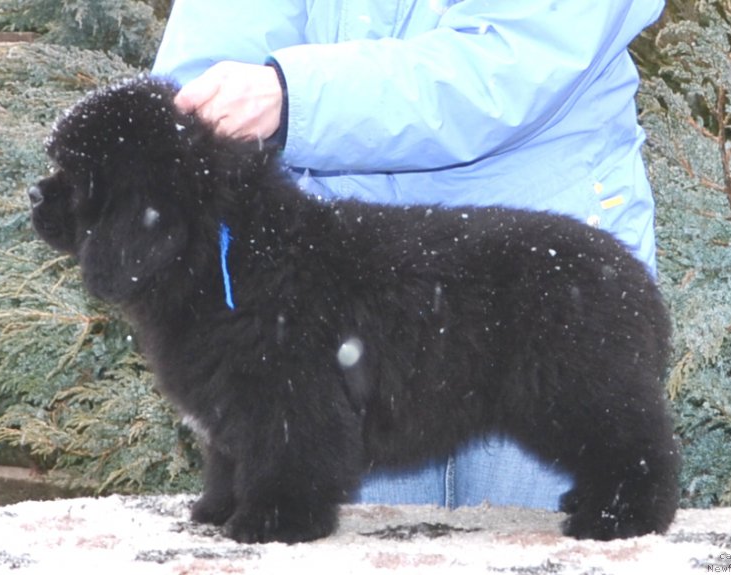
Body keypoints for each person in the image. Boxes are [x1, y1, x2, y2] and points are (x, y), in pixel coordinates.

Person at [151, 0, 666, 511]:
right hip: (342, 301)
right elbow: (211, 52)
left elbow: (519, 58)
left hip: (535, 294)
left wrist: (295, 96)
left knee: (567, 544)